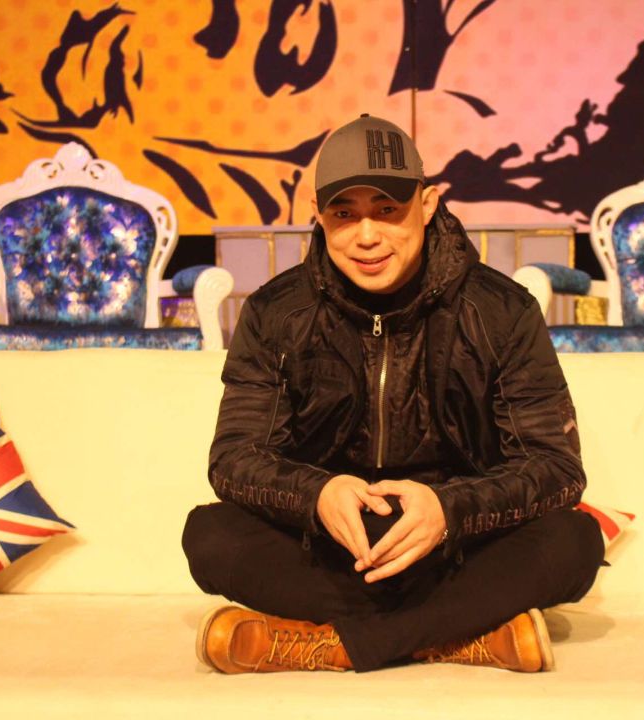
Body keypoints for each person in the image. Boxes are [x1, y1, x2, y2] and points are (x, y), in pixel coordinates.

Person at [181, 114, 604, 674]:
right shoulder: (274, 313)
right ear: (318, 215)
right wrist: (317, 494)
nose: (366, 236)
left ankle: (331, 646)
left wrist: (450, 509)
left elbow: (556, 467)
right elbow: (234, 457)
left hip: (456, 546)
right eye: (344, 214)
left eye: (387, 210)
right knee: (209, 537)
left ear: (426, 206)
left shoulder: (502, 311)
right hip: (332, 545)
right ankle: (457, 635)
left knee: (575, 542)